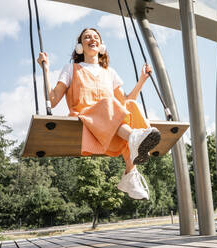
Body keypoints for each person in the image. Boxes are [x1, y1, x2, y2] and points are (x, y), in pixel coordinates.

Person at [37, 28, 160, 200]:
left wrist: (142, 80)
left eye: (96, 37)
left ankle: (130, 172)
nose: (92, 39)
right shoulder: (71, 69)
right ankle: (134, 139)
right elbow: (53, 98)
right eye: (87, 37)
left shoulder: (110, 72)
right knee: (109, 104)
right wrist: (46, 70)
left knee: (131, 106)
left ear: (102, 45)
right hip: (84, 121)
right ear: (80, 46)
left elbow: (125, 102)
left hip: (110, 127)